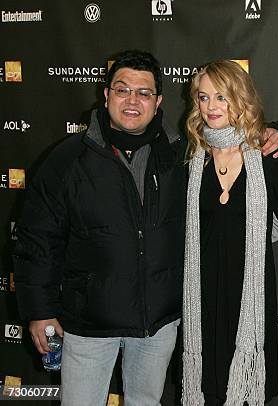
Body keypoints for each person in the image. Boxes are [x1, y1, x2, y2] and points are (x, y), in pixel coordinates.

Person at [13, 50, 186, 405]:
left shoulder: (181, 156)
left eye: (144, 92)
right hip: (89, 322)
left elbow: (234, 145)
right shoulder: (67, 159)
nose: (133, 100)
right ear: (106, 95)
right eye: (123, 90)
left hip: (156, 324)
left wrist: (275, 134)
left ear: (158, 101)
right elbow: (37, 240)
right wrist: (39, 311)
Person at [181, 60, 278, 406]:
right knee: (208, 390)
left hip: (252, 296)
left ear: (240, 99)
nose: (211, 107)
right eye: (203, 97)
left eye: (222, 97)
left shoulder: (270, 157)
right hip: (201, 295)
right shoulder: (186, 159)